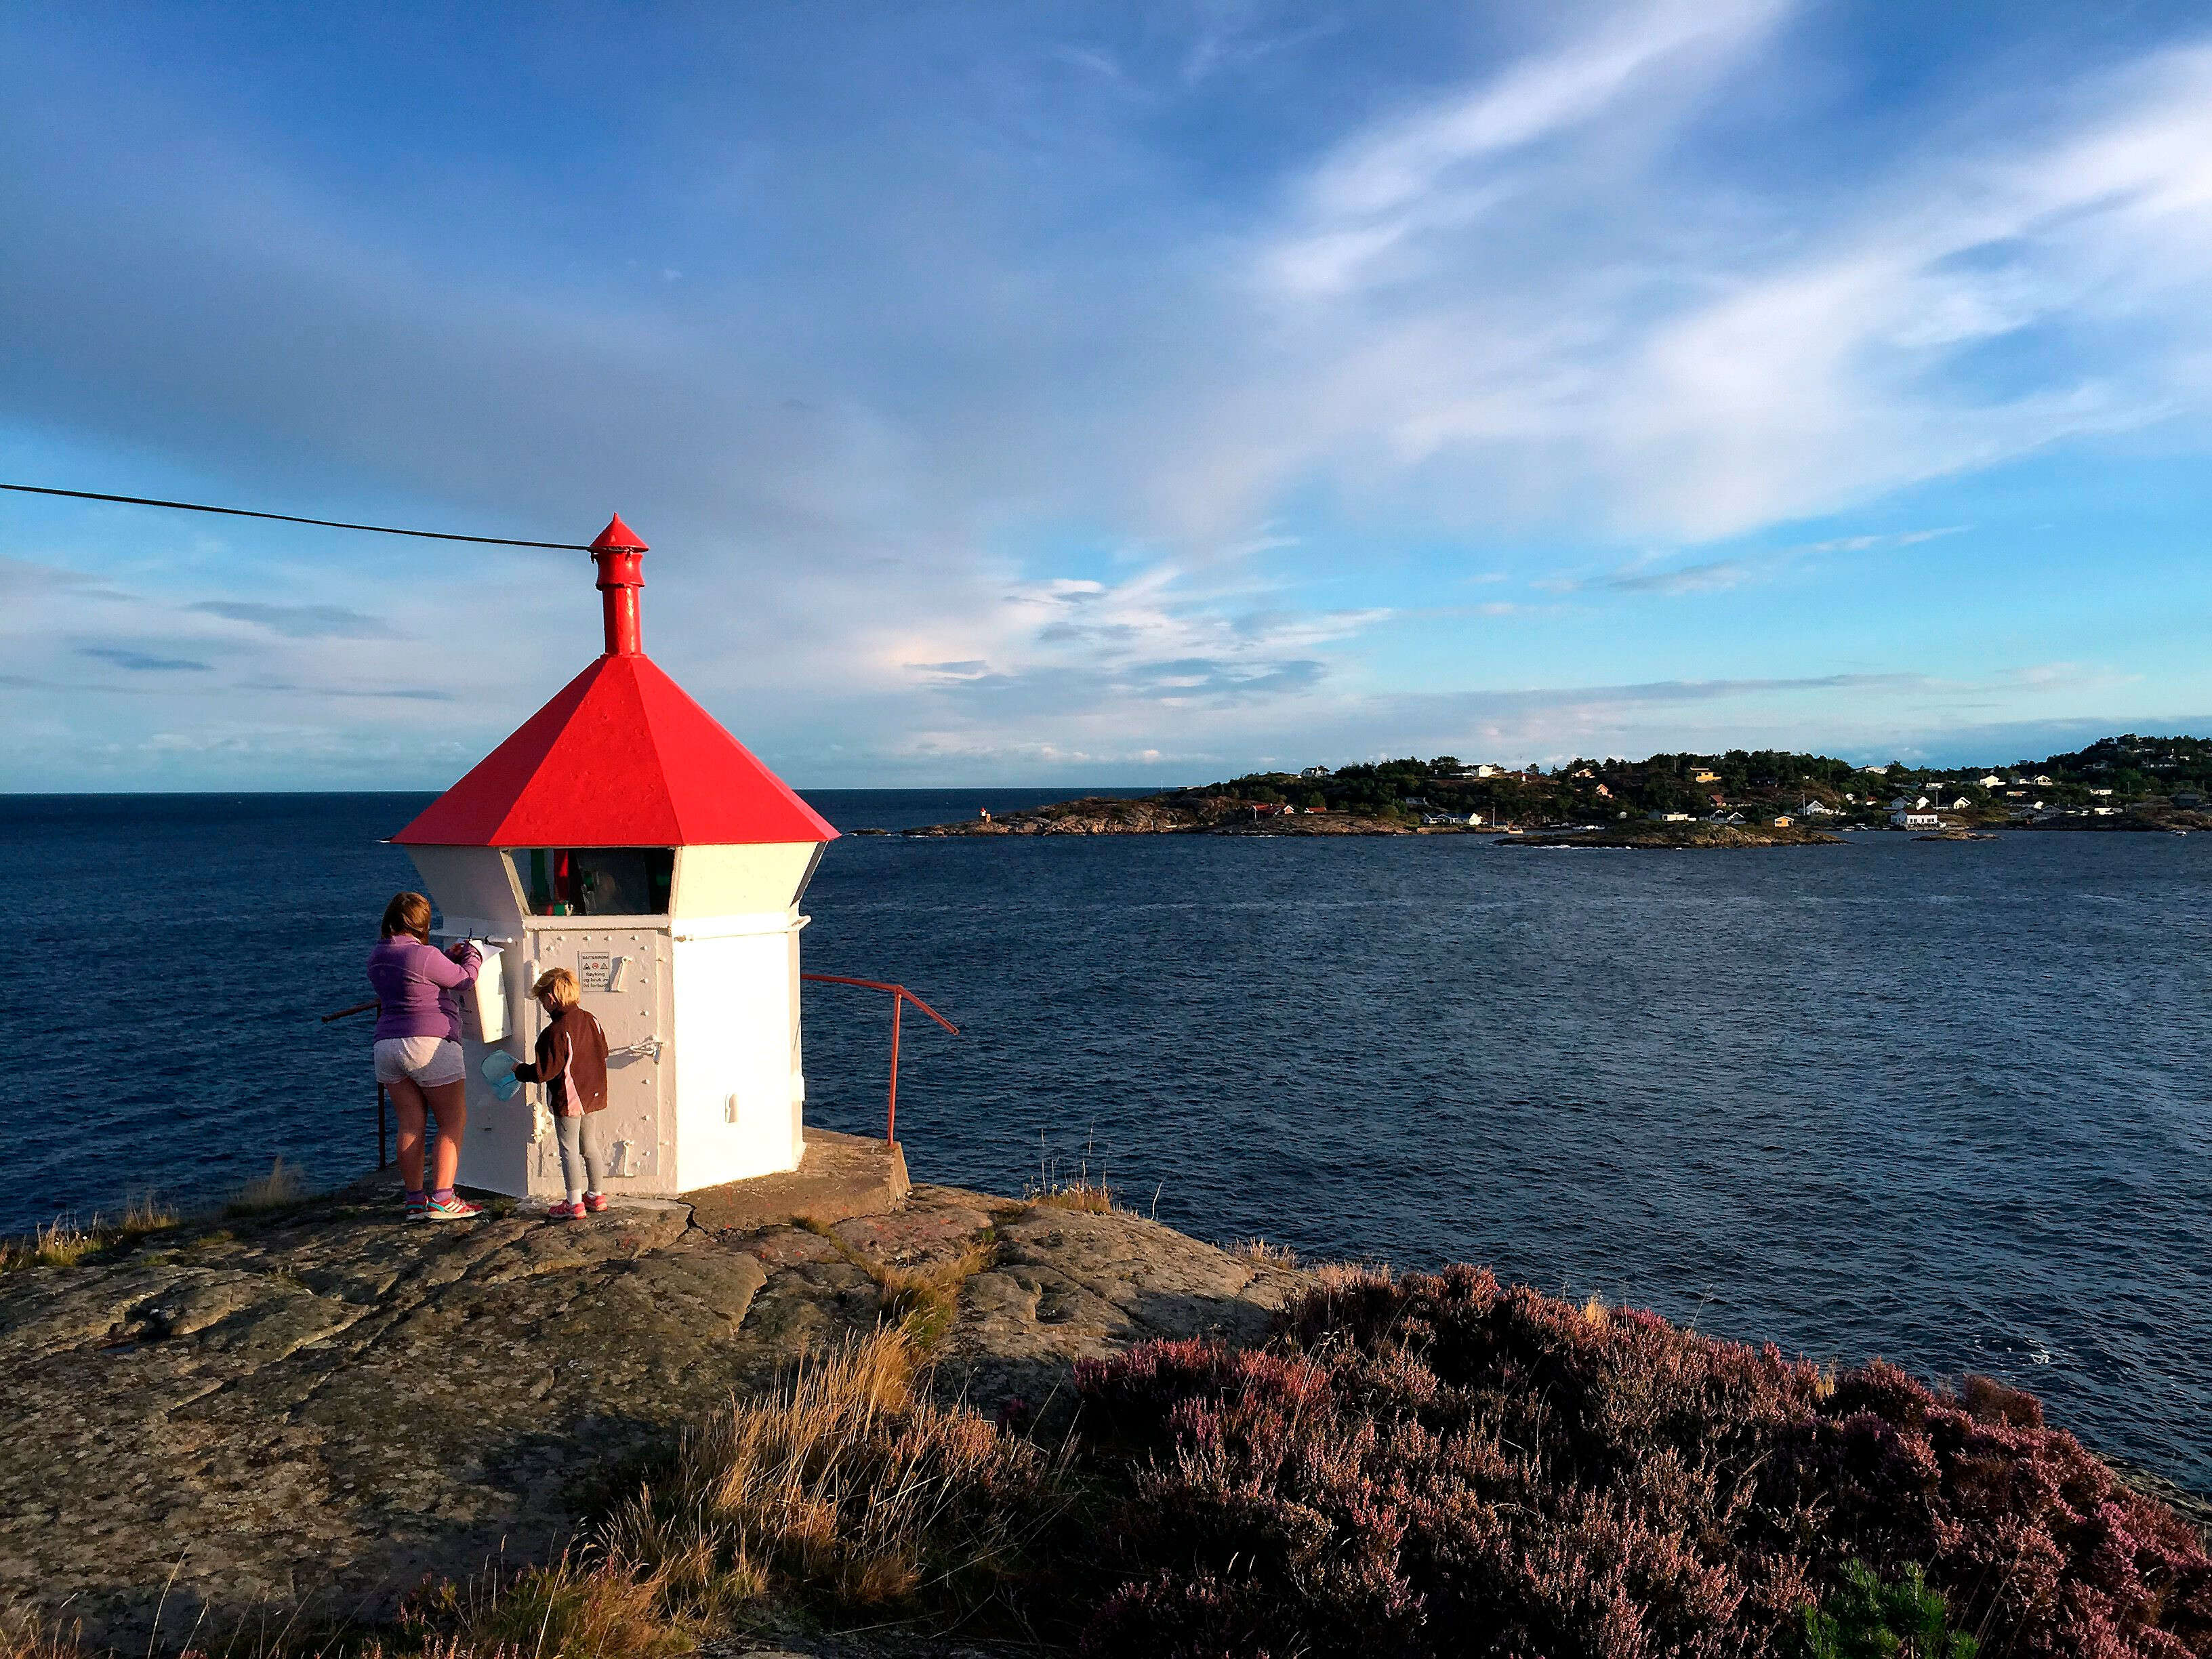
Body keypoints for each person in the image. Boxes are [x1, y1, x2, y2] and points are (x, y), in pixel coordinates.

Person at [367, 892, 483, 1222]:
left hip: (386, 1045)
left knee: (410, 1123)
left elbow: (413, 975)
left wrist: (443, 958)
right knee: (451, 1121)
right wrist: (473, 954)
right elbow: (465, 979)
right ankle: (443, 1198)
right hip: (429, 1044)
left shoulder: (377, 956)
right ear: (422, 923)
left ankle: (415, 1200)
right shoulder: (424, 954)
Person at [510, 967, 611, 1220]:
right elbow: (604, 1052)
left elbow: (544, 1072)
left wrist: (519, 1070)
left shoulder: (555, 1031)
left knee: (569, 1149)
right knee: (589, 1145)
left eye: (542, 999)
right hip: (593, 1093)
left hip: (569, 1096)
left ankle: (574, 1203)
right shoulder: (592, 1019)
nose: (543, 1005)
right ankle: (596, 1195)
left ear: (551, 998)